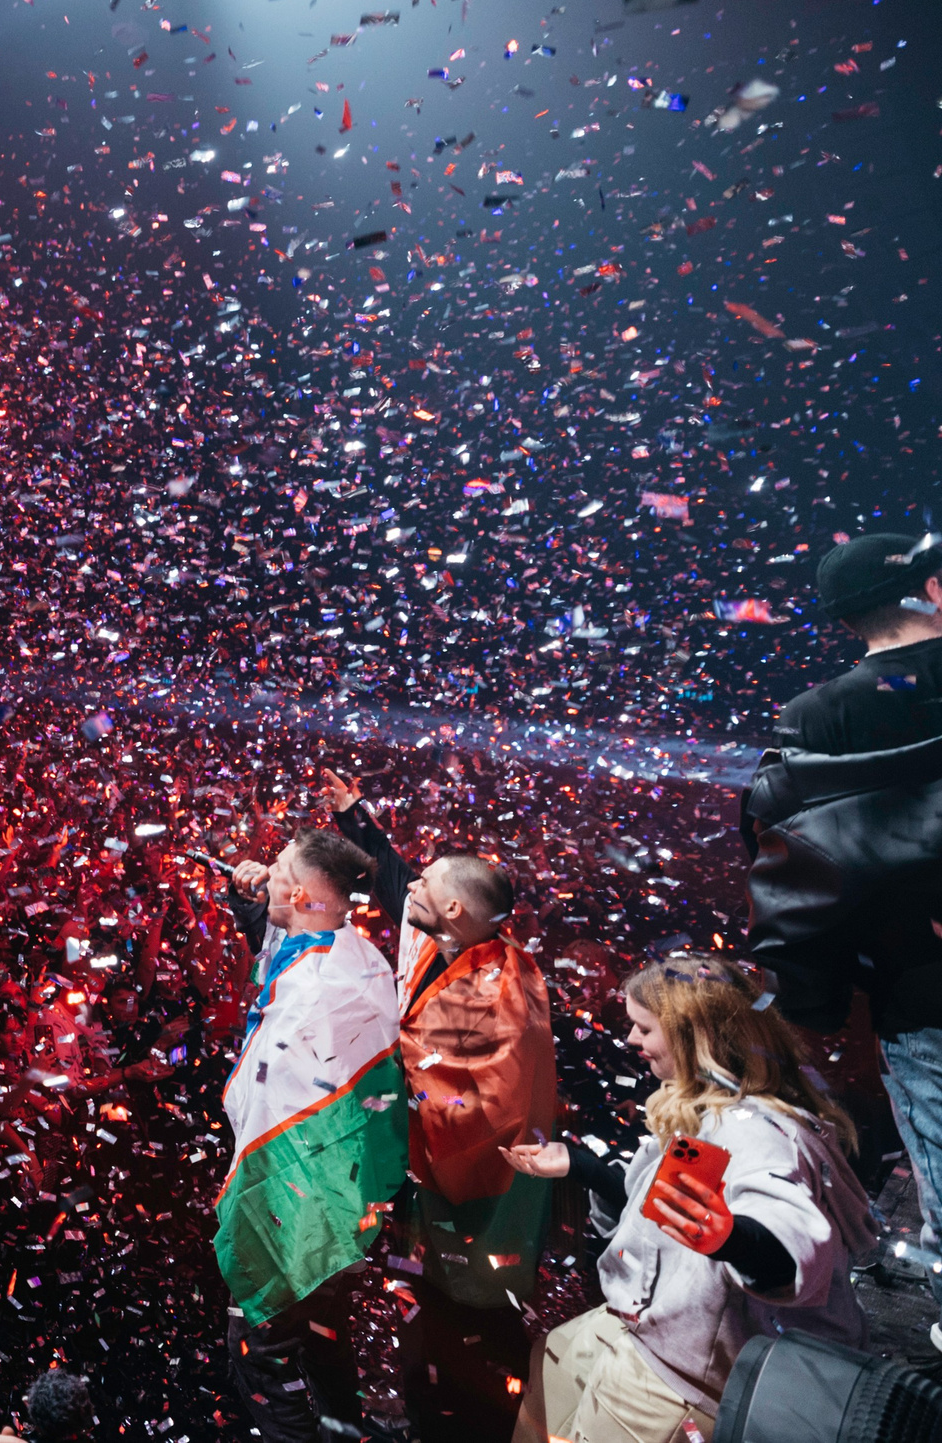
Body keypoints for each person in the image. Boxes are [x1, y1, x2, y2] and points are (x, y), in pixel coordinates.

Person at [503, 955, 875, 1443]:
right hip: (645, 1321)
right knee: (550, 1360)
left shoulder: (755, 1132)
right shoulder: (702, 1109)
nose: (632, 1041)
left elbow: (792, 1243)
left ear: (692, 1035)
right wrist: (583, 1167)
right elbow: (663, 1208)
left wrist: (733, 1240)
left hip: (685, 1374)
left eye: (643, 1028)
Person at [745, 531, 942, 1349]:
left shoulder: (817, 716)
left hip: (920, 987)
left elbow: (801, 873)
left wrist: (813, 1001)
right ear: (932, 588)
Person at [321, 769, 557, 1443]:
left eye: (428, 884)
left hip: (475, 1200)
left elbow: (492, 1108)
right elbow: (396, 883)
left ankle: (478, 1416)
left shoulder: (503, 991)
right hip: (428, 1188)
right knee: (426, 1308)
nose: (409, 889)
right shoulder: (444, 939)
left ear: (454, 910)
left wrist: (399, 1089)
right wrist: (355, 818)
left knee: (472, 1325)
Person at [215, 829, 410, 1443]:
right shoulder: (352, 957)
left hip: (297, 1202)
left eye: (274, 867)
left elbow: (285, 1109)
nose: (262, 870)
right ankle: (341, 1426)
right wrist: (254, 898)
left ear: (299, 892)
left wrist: (268, 1210)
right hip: (338, 1204)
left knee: (261, 1348)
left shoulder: (319, 992)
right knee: (323, 1340)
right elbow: (283, 945)